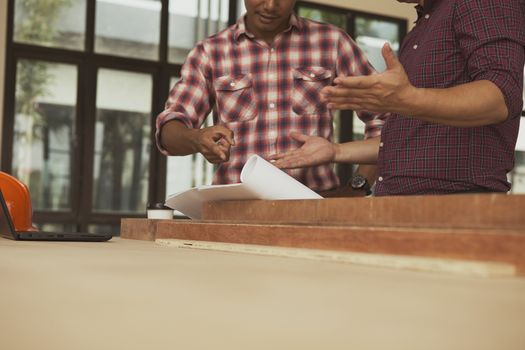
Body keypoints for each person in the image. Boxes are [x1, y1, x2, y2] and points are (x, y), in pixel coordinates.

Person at [270, 0, 525, 195]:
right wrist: (335, 151)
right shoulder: (424, 24)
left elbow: (501, 95)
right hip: (403, 207)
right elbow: (409, 140)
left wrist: (408, 99)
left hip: (454, 208)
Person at [155, 0, 385, 193]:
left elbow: (385, 118)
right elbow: (169, 130)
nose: (271, 6)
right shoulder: (210, 52)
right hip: (234, 210)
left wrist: (358, 186)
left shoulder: (333, 43)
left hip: (315, 205)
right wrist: (196, 138)